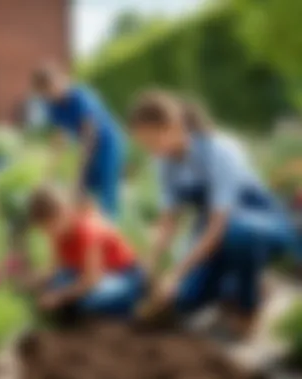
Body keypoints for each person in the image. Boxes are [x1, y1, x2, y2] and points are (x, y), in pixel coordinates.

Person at [128, 90, 298, 338]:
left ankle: (248, 307)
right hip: (217, 232)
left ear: (173, 127)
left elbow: (218, 226)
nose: (151, 151)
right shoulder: (165, 163)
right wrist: (150, 267)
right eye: (145, 146)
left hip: (262, 225)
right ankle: (250, 288)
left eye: (152, 142)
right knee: (184, 301)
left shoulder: (219, 150)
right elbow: (168, 222)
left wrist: (176, 273)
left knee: (238, 235)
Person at [24, 186, 144, 322]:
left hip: (123, 276)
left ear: (63, 213)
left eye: (49, 227)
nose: (48, 233)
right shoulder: (57, 234)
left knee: (89, 302)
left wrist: (59, 297)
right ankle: (76, 308)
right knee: (58, 283)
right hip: (93, 274)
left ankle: (129, 306)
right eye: (43, 229)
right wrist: (32, 281)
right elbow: (55, 269)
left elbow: (91, 280)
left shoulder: (87, 230)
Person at [31, 63, 126, 219]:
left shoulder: (80, 98)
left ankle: (110, 232)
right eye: (45, 92)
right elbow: (60, 138)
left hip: (107, 145)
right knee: (82, 196)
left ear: (61, 80)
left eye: (53, 87)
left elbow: (89, 137)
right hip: (88, 146)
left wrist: (79, 174)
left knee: (106, 196)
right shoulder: (53, 106)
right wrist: (48, 174)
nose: (50, 94)